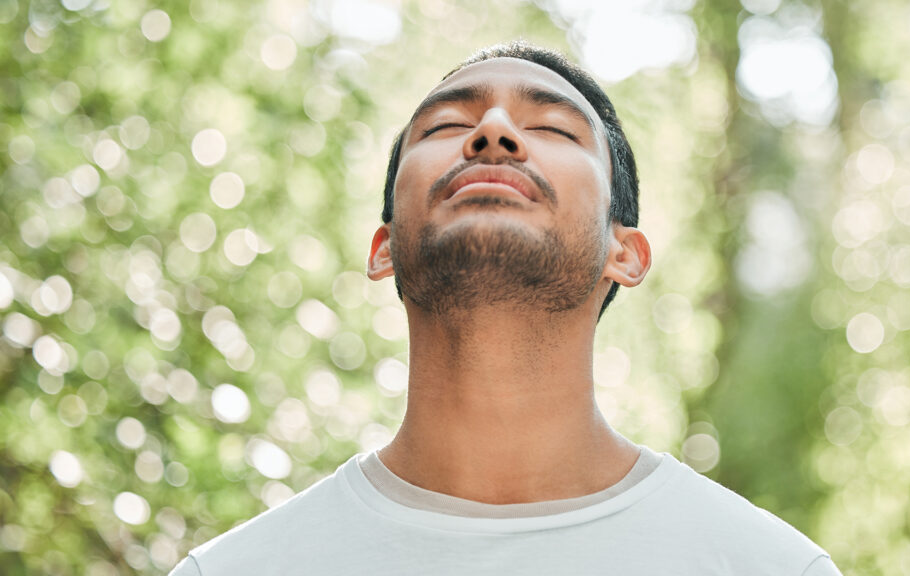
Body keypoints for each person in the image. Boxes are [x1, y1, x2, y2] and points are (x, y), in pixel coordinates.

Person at [170, 42, 842, 575]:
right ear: (384, 249)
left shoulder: (769, 567)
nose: (492, 131)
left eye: (552, 126)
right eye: (446, 124)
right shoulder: (234, 569)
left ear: (626, 254)